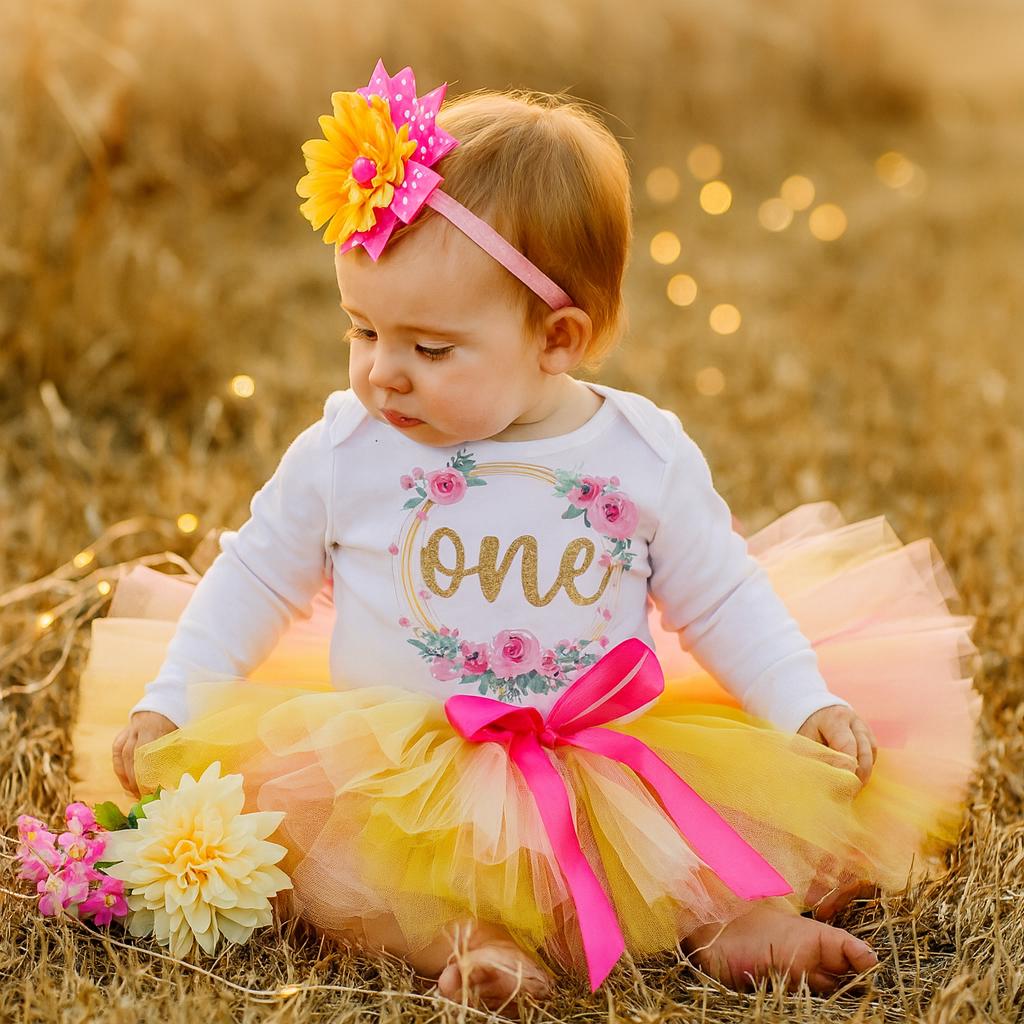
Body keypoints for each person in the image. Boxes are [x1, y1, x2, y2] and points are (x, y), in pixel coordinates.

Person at [79, 59, 982, 1011]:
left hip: (601, 750)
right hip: (401, 765)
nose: (383, 374)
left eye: (430, 349)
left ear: (556, 339)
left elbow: (722, 596)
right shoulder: (345, 449)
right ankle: (472, 947)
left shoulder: (638, 453)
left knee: (673, 848)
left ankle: (737, 925)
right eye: (360, 330)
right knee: (363, 877)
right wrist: (177, 695)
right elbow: (255, 578)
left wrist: (800, 700)